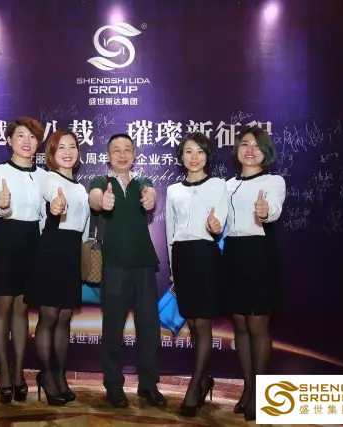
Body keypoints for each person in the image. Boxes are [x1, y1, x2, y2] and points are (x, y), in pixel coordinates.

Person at [88, 133, 166, 409]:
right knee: (113, 329)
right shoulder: (101, 181)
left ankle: (148, 385)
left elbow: (150, 193)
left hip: (143, 264)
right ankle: (113, 386)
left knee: (149, 328)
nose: (122, 155)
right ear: (108, 156)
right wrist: (102, 202)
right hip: (113, 264)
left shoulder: (142, 181)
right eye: (116, 150)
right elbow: (94, 198)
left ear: (134, 155)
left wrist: (150, 198)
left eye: (127, 150)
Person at [222, 126, 286, 422]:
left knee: (257, 324)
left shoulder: (273, 181)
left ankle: (260, 393)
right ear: (237, 149)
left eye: (257, 145)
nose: (250, 150)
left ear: (266, 151)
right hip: (233, 254)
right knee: (240, 325)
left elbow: (273, 209)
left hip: (259, 253)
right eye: (245, 144)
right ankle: (248, 388)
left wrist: (264, 210)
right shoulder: (226, 185)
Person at [24, 129, 90, 406]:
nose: (67, 152)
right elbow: (54, 198)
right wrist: (56, 204)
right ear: (51, 152)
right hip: (51, 250)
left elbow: (84, 227)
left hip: (72, 251)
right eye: (61, 147)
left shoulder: (82, 188)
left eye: (72, 146)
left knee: (65, 318)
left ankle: (60, 376)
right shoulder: (49, 179)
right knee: (49, 316)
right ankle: (46, 375)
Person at [165, 132, 227, 417]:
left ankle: (195, 385)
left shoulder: (218, 185)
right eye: (188, 151)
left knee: (202, 323)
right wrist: (173, 269)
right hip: (182, 257)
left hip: (205, 255)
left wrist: (215, 225)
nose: (194, 157)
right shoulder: (173, 190)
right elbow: (170, 232)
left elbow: (220, 221)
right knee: (191, 322)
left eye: (200, 151)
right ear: (181, 156)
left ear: (207, 156)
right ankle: (204, 380)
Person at [0, 116, 46, 404]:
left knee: (22, 310)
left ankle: (19, 370)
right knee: (4, 308)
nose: (26, 141)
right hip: (8, 240)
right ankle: (2, 369)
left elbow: (46, 216)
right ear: (9, 140)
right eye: (20, 135)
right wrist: (4, 205)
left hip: (33, 242)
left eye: (32, 137)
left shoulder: (44, 176)